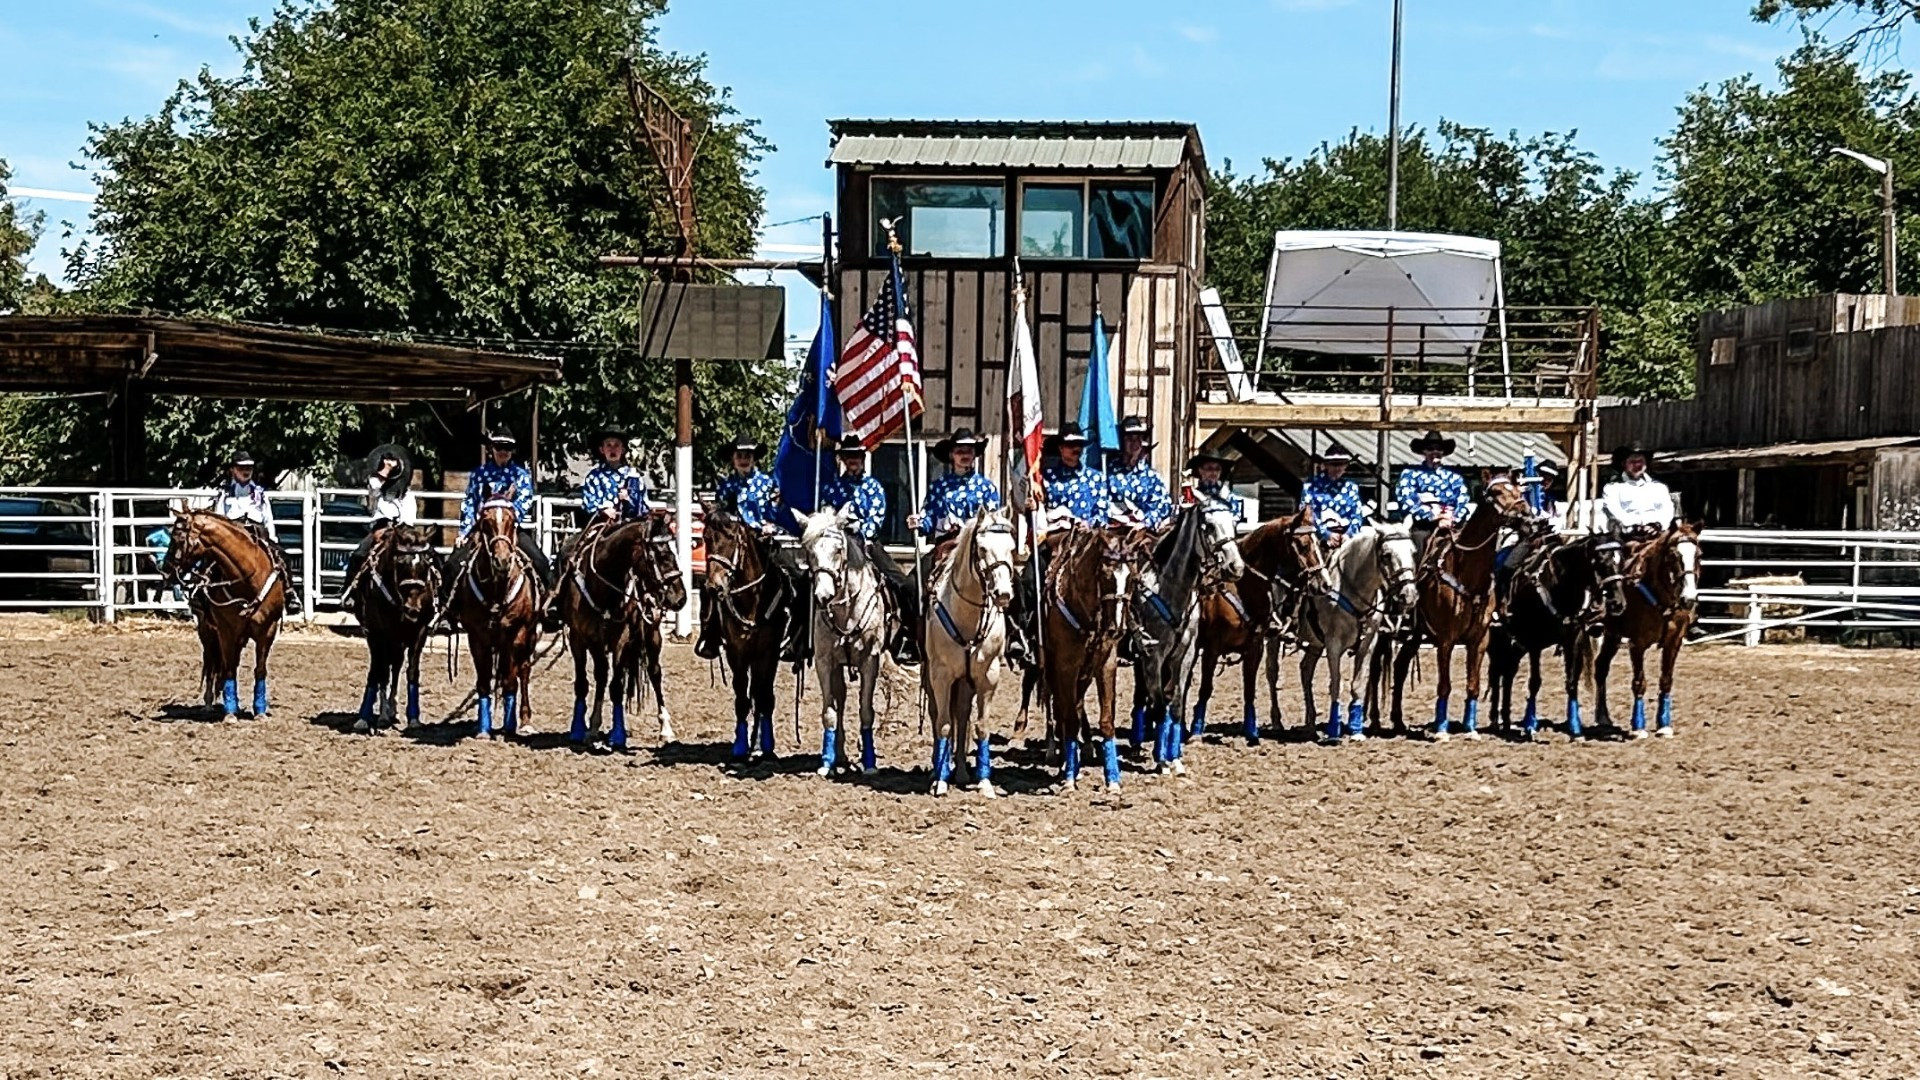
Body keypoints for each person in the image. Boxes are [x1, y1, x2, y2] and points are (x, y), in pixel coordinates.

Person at [697, 434, 809, 663]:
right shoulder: (726, 486)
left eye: (748, 455)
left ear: (754, 458)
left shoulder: (769, 484)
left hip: (764, 542)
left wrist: (771, 526)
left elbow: (779, 513)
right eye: (739, 455)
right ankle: (710, 634)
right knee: (710, 585)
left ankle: (797, 637)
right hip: (734, 545)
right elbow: (721, 518)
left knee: (799, 580)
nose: (744, 459)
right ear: (733, 459)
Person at [822, 438, 920, 664]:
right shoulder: (831, 488)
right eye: (849, 456)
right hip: (837, 544)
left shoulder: (873, 487)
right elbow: (827, 515)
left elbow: (877, 516)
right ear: (843, 459)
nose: (853, 460)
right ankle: (802, 637)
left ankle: (906, 636)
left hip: (867, 542)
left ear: (863, 458)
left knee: (906, 585)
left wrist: (864, 534)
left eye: (857, 456)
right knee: (815, 581)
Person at [442, 428, 553, 614]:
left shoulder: (521, 475)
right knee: (453, 563)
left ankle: (549, 606)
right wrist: (464, 532)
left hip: (510, 528)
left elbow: (525, 500)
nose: (503, 451)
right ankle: (447, 609)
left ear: (512, 451)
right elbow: (470, 502)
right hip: (483, 529)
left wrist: (509, 515)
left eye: (507, 448)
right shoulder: (479, 474)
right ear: (491, 449)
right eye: (499, 447)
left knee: (540, 561)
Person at [217, 450, 298, 613]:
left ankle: (290, 594)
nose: (246, 471)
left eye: (249, 468)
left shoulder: (260, 493)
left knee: (283, 557)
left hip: (258, 535)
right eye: (241, 468)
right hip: (234, 537)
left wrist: (272, 539)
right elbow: (219, 517)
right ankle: (200, 596)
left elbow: (268, 518)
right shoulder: (224, 494)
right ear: (233, 470)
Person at [343, 444, 419, 600]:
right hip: (381, 528)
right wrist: (386, 469)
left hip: (403, 531)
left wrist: (399, 530)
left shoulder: (408, 495)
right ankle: (349, 591)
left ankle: (437, 592)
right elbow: (374, 485)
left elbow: (409, 520)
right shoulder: (378, 488)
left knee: (427, 553)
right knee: (359, 553)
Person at [1394, 429, 1470, 562]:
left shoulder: (1455, 477)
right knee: (1417, 541)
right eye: (1430, 449)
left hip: (1451, 523)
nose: (1435, 452)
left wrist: (1452, 518)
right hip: (1423, 525)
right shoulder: (1410, 474)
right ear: (1423, 452)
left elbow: (1463, 500)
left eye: (1439, 449)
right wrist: (1432, 516)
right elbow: (1406, 501)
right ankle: (1416, 573)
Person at [910, 428, 1001, 539]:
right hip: (946, 541)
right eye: (960, 452)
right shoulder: (938, 487)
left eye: (969, 451)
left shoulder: (986, 487)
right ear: (951, 455)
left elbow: (993, 520)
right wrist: (919, 523)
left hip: (975, 542)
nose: (965, 456)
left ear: (974, 454)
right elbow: (930, 518)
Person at [1038, 422, 1109, 530]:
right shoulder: (1047, 477)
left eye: (1079, 444)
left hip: (1087, 536)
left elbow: (1103, 513)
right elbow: (1039, 509)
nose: (1076, 449)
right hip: (1055, 535)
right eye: (1071, 445)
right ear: (1061, 448)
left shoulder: (1096, 478)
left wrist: (1089, 523)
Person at [1107, 415, 1173, 529]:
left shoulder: (1152, 478)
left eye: (1138, 438)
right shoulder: (1107, 473)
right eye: (1129, 439)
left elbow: (1164, 506)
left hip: (1143, 532)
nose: (1134, 443)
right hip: (1112, 532)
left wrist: (1145, 523)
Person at [1601, 441, 1675, 541]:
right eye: (1632, 462)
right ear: (1623, 464)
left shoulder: (1659, 487)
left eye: (1640, 461)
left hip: (1656, 535)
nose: (1637, 465)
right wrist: (1635, 526)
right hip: (1626, 537)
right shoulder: (1613, 488)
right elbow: (1614, 511)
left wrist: (1657, 524)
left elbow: (1667, 510)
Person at [1300, 440, 1364, 546]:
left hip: (1347, 538)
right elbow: (1308, 514)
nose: (1338, 468)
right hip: (1318, 538)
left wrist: (1349, 534)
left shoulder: (1352, 487)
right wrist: (1326, 534)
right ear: (1326, 465)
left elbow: (1357, 514)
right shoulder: (1310, 487)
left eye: (1342, 464)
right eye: (1334, 464)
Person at [1186, 450, 1245, 518]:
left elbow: (1236, 516)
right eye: (1209, 468)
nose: (1214, 472)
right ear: (1200, 470)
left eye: (1217, 469)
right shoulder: (1192, 496)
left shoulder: (1228, 496)